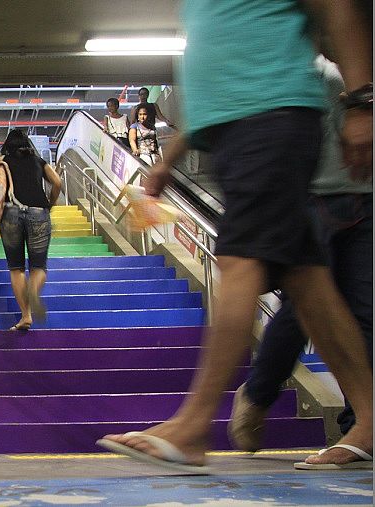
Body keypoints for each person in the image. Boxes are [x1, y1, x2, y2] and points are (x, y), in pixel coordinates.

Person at [98, 0, 372, 472]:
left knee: (239, 259)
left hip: (271, 113)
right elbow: (218, 57)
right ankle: (369, 418)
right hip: (236, 128)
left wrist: (362, 100)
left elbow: (337, 6)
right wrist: (170, 156)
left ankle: (195, 424)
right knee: (306, 279)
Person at [228, 54, 373, 452]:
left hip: (368, 198)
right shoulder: (308, 63)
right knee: (305, 308)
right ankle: (258, 393)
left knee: (364, 315)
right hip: (314, 197)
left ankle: (357, 426)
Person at [0, 129, 62, 331]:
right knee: (38, 266)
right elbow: (58, 182)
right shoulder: (38, 161)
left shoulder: (3, 161)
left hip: (10, 213)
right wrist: (50, 204)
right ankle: (34, 292)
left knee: (16, 268)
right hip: (39, 211)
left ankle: (26, 316)